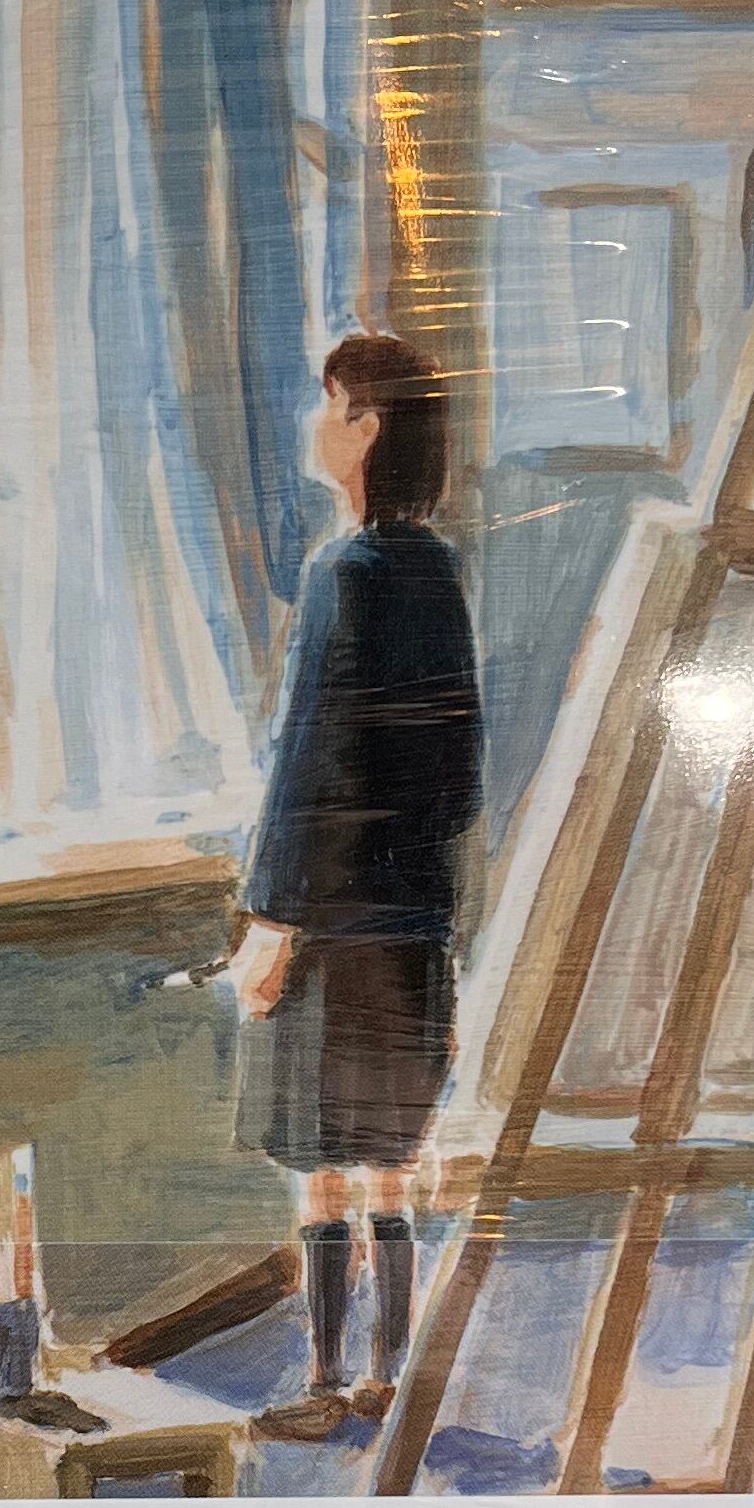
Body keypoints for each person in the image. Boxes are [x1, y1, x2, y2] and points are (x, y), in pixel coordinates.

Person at [230, 330, 482, 1439]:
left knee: (321, 1168)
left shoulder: (342, 574)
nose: (314, 421)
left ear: (366, 427)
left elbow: (309, 762)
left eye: (327, 402)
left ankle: (330, 1383)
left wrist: (273, 925)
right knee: (389, 1162)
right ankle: (391, 1374)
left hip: (329, 928)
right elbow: (457, 777)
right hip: (412, 925)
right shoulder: (440, 574)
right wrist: (430, 914)